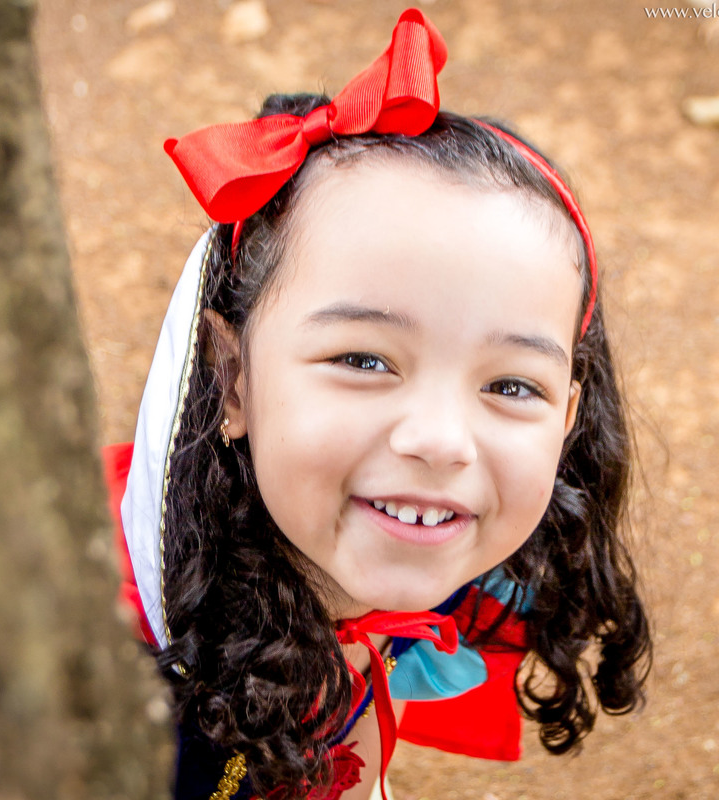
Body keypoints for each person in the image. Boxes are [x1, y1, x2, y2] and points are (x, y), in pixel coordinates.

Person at [100, 9, 651, 800]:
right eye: (363, 359)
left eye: (510, 385)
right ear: (232, 378)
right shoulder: (105, 688)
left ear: (566, 418)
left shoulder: (395, 538)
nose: (440, 441)